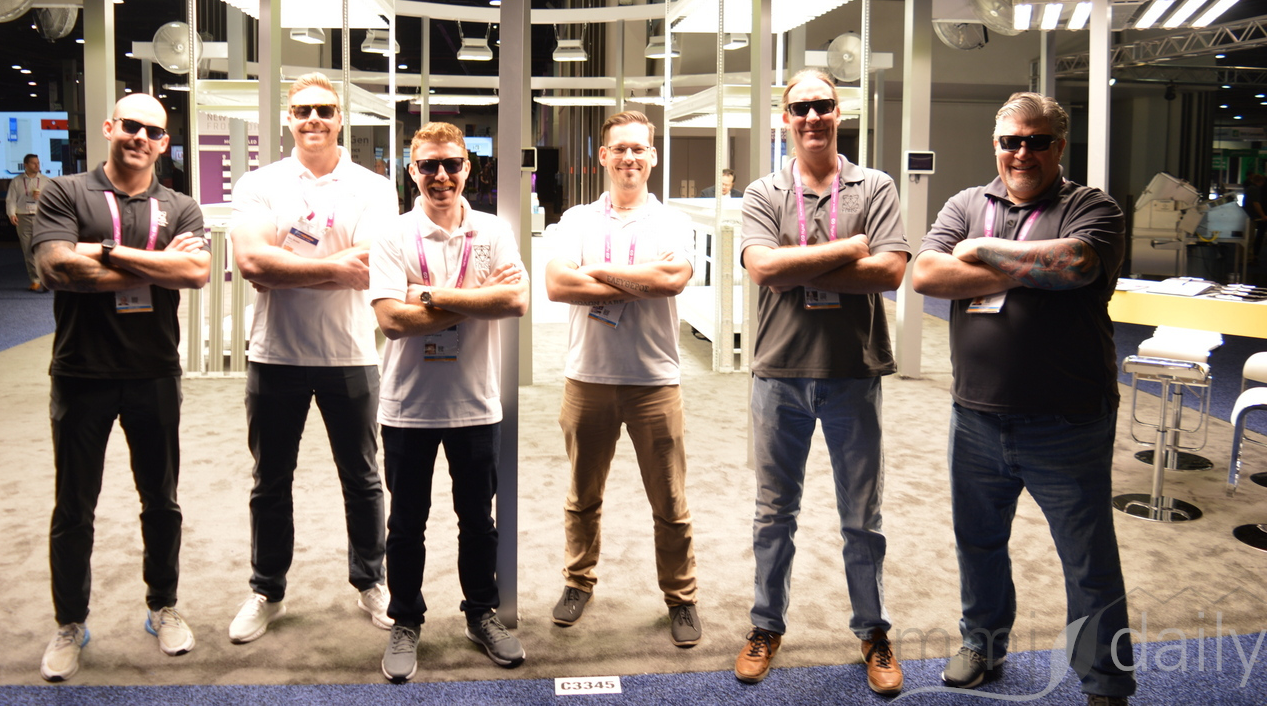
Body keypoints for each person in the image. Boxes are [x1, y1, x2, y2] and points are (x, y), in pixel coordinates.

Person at [911, 92, 1133, 706]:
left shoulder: (1092, 207)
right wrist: (1034, 270)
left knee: (1087, 560)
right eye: (1011, 141)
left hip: (1068, 421)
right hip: (976, 417)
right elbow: (925, 274)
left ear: (1059, 146)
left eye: (1036, 141)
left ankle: (1105, 680)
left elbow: (1077, 263)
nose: (1022, 153)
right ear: (996, 145)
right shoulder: (965, 203)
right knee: (979, 543)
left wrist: (978, 250)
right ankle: (982, 644)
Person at [734, 69, 909, 695]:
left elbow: (889, 273)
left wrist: (800, 265)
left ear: (840, 112)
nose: (812, 116)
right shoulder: (763, 191)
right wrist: (851, 247)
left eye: (823, 105)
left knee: (862, 517)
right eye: (800, 107)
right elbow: (764, 268)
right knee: (773, 513)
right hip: (778, 374)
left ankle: (873, 633)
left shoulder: (875, 185)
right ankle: (765, 625)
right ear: (785, 118)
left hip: (853, 374)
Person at [31, 94, 210, 681]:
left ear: (164, 143)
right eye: (130, 126)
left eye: (152, 131)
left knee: (161, 500)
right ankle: (69, 622)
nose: (140, 137)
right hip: (80, 371)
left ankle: (163, 607)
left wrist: (103, 250)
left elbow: (196, 273)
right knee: (74, 506)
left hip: (153, 371)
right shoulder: (65, 193)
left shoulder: (180, 206)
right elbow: (56, 267)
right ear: (109, 127)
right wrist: (155, 264)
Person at [227, 72, 398, 643]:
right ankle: (267, 590)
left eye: (324, 109)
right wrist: (332, 268)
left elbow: (371, 266)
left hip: (350, 353)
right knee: (270, 480)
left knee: (363, 478)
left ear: (341, 117)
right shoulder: (260, 183)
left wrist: (286, 270)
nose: (313, 119)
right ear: (289, 119)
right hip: (274, 355)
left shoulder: (373, 187)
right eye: (302, 111)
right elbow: (252, 262)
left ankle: (372, 581)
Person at [368, 122, 529, 682]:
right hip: (407, 406)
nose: (441, 175)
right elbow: (392, 321)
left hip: (475, 404)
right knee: (406, 524)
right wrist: (480, 298)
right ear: (412, 170)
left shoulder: (493, 231)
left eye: (452, 164)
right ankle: (405, 621)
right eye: (429, 165)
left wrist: (431, 295)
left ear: (468, 168)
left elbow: (515, 302)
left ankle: (481, 614)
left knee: (478, 522)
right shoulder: (393, 235)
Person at [545, 110, 702, 647]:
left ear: (652, 156)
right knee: (582, 496)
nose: (629, 157)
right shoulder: (576, 220)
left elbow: (673, 280)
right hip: (587, 378)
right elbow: (558, 286)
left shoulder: (672, 221)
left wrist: (594, 273)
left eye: (639, 148)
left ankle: (681, 597)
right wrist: (640, 282)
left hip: (654, 381)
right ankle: (577, 582)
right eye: (620, 149)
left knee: (670, 501)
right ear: (603, 157)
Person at [6, 152, 54, 291]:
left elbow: (54, 199)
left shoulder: (46, 181)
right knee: (28, 250)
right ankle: (35, 280)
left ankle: (46, 279)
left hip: (41, 217)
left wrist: (42, 196)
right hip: (23, 217)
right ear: (25, 165)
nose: (37, 166)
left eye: (38, 163)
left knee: (43, 249)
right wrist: (11, 214)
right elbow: (11, 199)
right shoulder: (16, 181)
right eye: (34, 163)